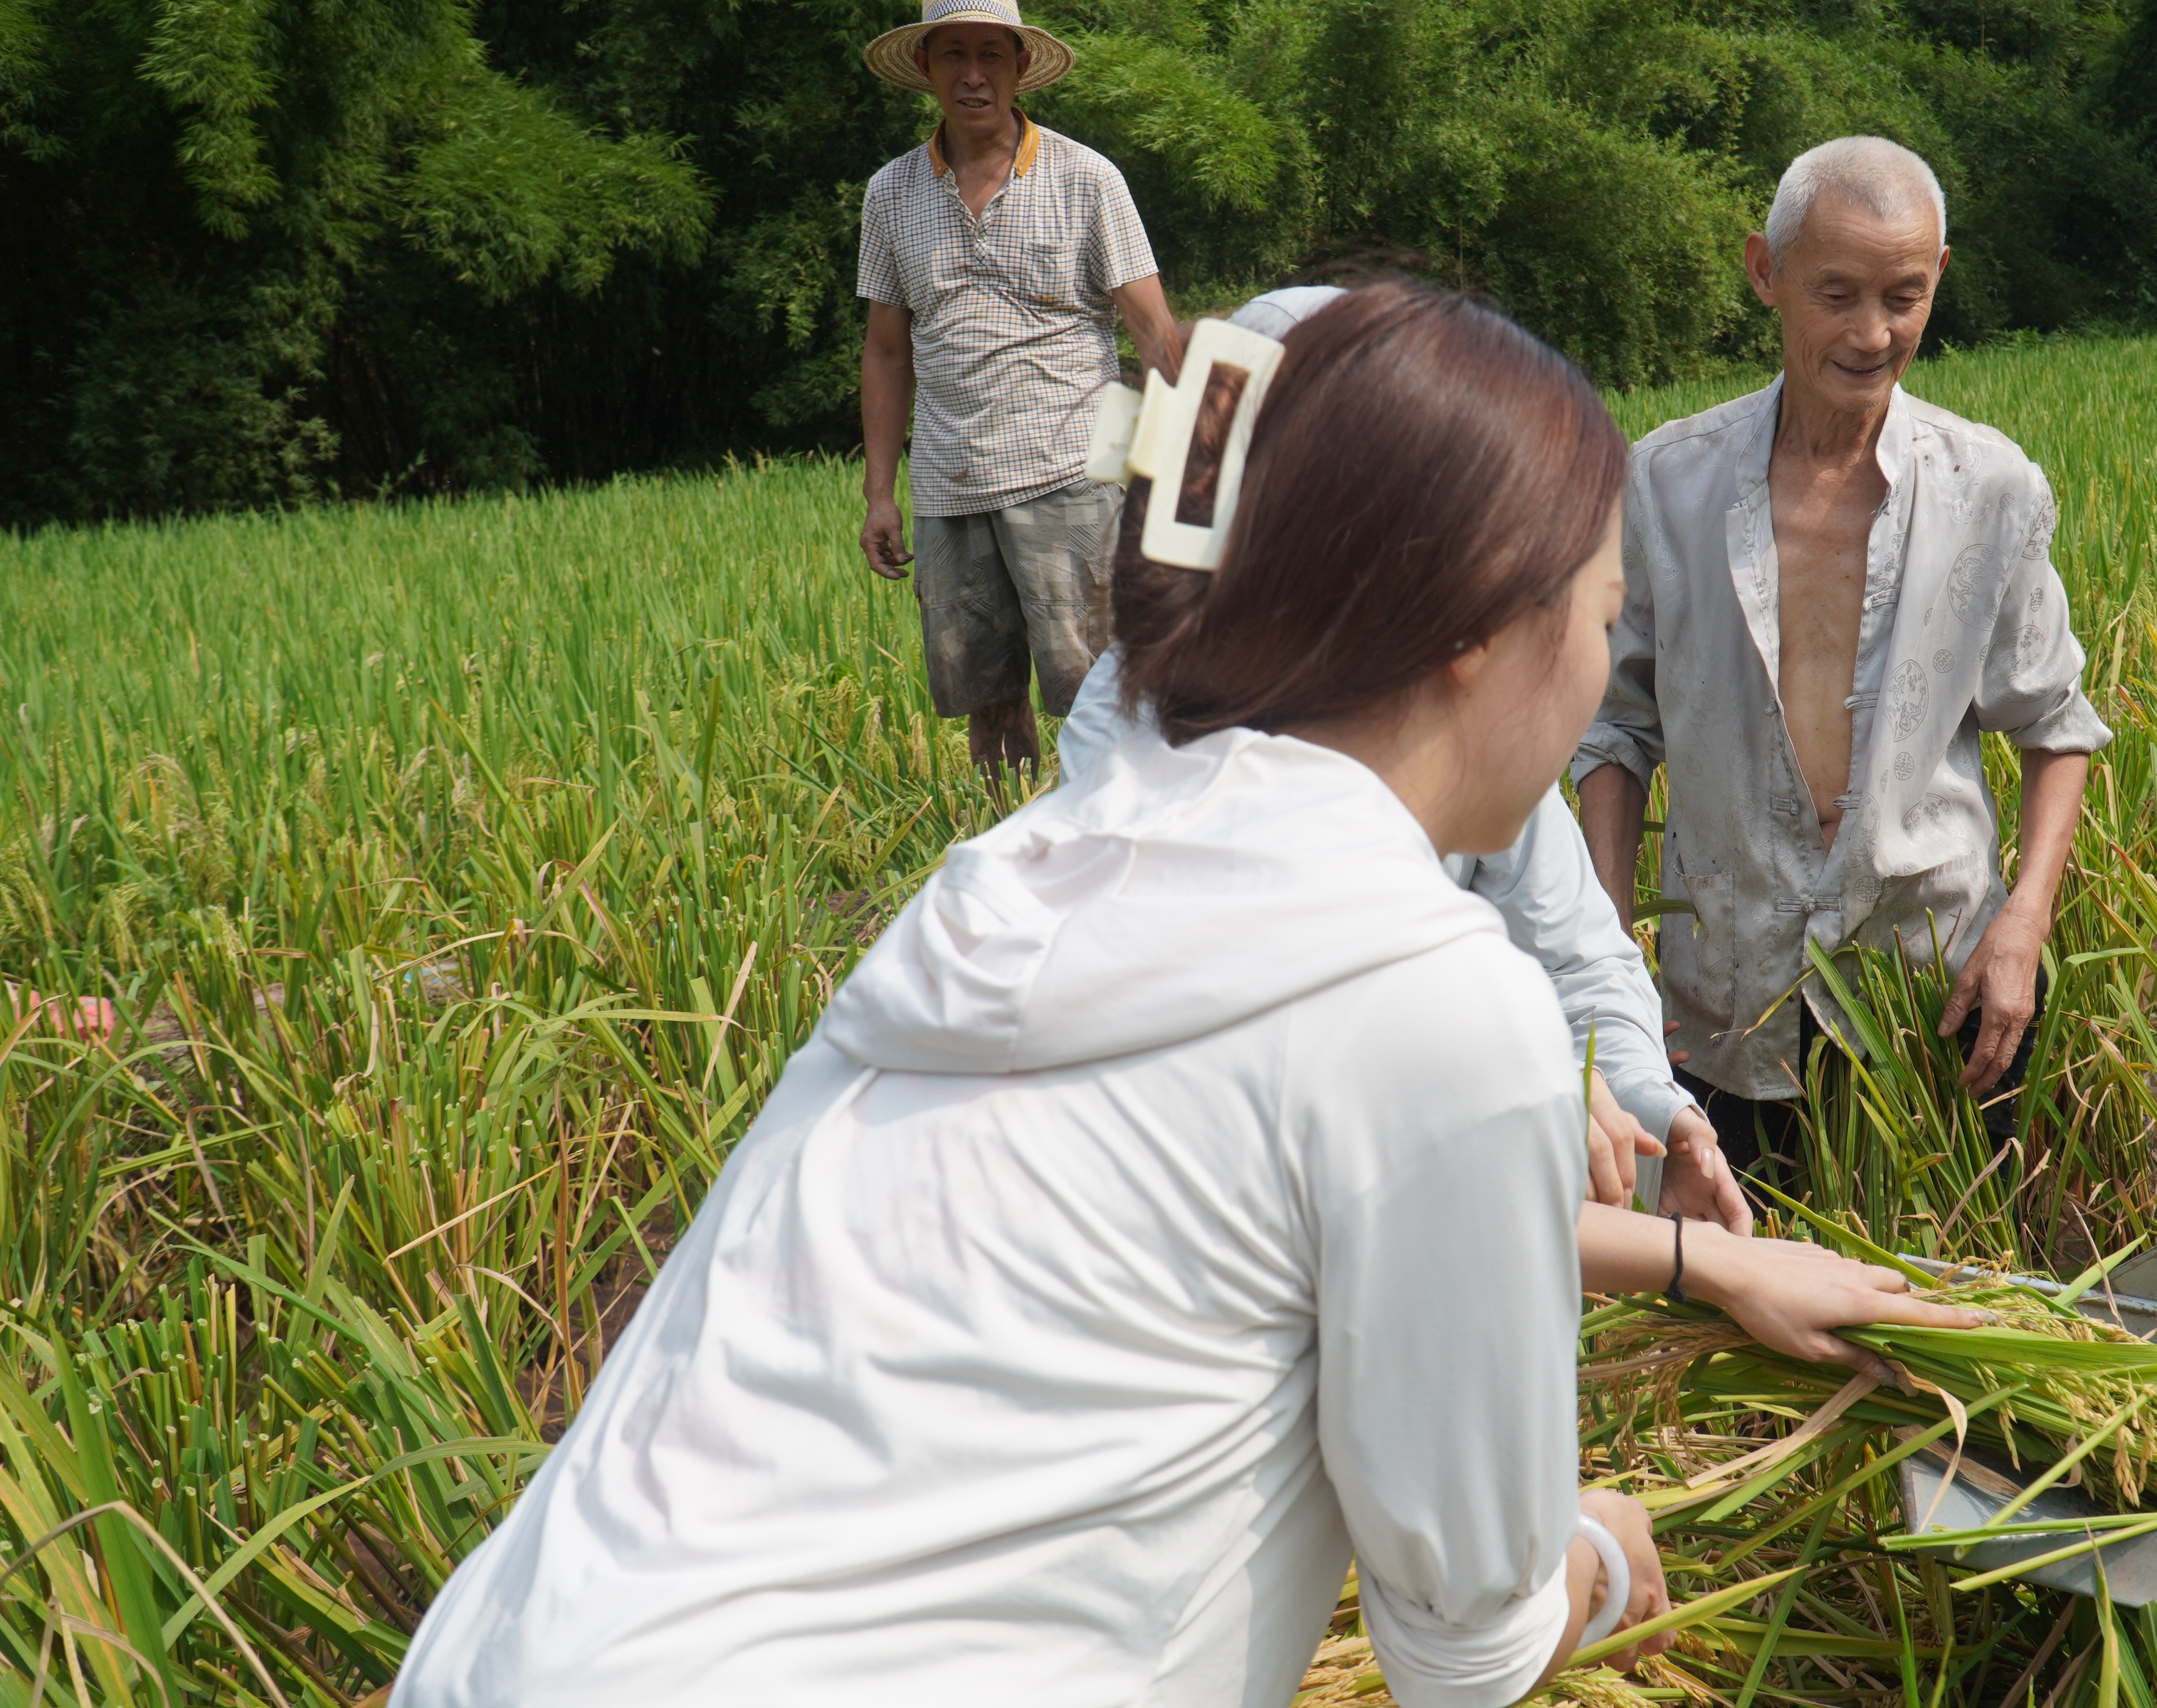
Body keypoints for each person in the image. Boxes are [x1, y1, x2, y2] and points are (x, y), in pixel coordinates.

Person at [393, 283, 1971, 1708]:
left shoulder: (1014, 889)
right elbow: (1468, 1652)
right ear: (1483, 632)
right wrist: (1604, 1554)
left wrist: (1700, 1264)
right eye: (1606, 615)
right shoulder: (1423, 997)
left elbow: (1238, 1218)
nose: (1597, 672)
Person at [1057, 283, 1746, 1229]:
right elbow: (1240, 1035)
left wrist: (1655, 1111)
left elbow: (1577, 957)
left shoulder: (1454, 733)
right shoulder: (1135, 749)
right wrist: (1494, 1070)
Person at [1576, 137, 2112, 1183]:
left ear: (1939, 278)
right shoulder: (1666, 482)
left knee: (1937, 1305)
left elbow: (2056, 724)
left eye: (1904, 297)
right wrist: (1603, 950)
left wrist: (2023, 925)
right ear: (1765, 273)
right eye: (1837, 295)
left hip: (1933, 986)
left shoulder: (1990, 489)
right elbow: (1615, 724)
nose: (1873, 334)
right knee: (1733, 1305)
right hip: (1722, 997)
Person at [853, 0, 1187, 787]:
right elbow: (886, 349)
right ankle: (1004, 841)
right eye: (954, 56)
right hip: (950, 482)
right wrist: (879, 493)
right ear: (927, 69)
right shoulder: (890, 194)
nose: (974, 75)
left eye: (992, 56)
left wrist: (1183, 466)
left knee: (1102, 689)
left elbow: (1151, 328)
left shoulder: (1086, 176)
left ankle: (1113, 843)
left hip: (1072, 469)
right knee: (985, 695)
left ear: (1021, 67)